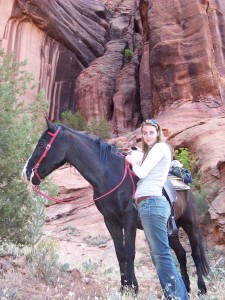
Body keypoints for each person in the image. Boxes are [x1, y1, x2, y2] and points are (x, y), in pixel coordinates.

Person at [125, 119, 189, 300]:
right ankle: (179, 295)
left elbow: (142, 172)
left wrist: (130, 160)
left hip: (152, 204)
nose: (147, 136)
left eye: (151, 132)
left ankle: (177, 297)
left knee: (161, 255)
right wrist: (134, 156)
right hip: (149, 205)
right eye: (144, 133)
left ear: (157, 133)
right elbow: (141, 158)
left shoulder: (160, 148)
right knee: (159, 255)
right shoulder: (151, 152)